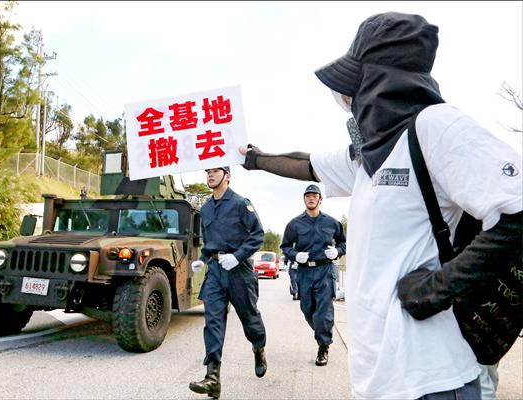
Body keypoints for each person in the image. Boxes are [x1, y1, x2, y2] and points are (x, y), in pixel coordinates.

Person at [240, 12, 522, 399]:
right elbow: (307, 162)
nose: (348, 99)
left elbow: (517, 212)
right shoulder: (367, 159)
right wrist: (255, 159)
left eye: (353, 85)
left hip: (432, 380)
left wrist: (438, 288)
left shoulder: (435, 127)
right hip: (378, 379)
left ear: (380, 82)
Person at [189, 166, 267, 399]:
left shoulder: (241, 204)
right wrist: (202, 260)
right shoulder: (205, 208)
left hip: (239, 271)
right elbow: (207, 241)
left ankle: (258, 347)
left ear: (228, 176)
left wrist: (238, 256)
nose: (210, 175)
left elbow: (258, 234)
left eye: (215, 171)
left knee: (249, 318)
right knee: (212, 321)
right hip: (215, 272)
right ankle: (213, 377)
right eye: (207, 172)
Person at [280, 184, 346, 366]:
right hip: (305, 272)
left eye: (314, 195)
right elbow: (285, 247)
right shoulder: (294, 224)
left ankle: (323, 346)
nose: (311, 198)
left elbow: (344, 243)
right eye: (308, 196)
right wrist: (295, 255)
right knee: (308, 309)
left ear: (320, 199)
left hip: (325, 271)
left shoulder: (332, 223)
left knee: (324, 312)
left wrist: (338, 251)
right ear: (304, 199)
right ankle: (321, 335)